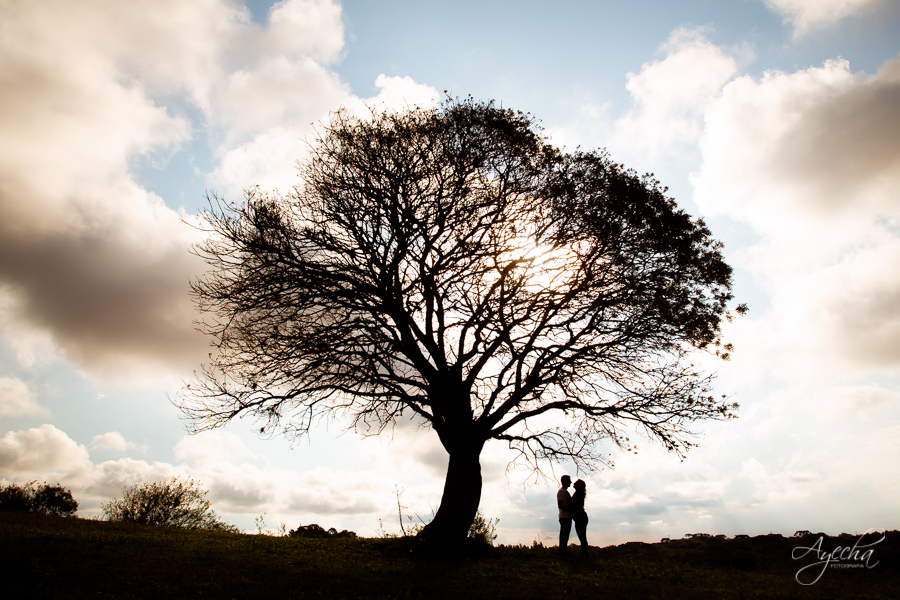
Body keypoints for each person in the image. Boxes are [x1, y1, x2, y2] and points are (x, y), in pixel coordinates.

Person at [570, 479, 589, 558]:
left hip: (580, 518)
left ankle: (585, 555)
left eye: (576, 483)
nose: (573, 483)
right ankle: (585, 554)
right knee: (582, 537)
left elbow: (576, 507)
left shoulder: (578, 494)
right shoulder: (579, 494)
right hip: (581, 517)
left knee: (582, 538)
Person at [557, 475, 572, 555]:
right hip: (564, 517)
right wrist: (571, 510)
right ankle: (562, 552)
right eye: (569, 480)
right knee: (564, 536)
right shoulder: (561, 492)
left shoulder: (564, 491)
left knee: (565, 536)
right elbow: (560, 505)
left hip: (567, 517)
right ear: (565, 481)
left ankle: (563, 551)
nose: (570, 482)